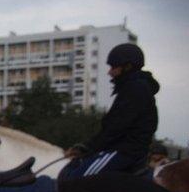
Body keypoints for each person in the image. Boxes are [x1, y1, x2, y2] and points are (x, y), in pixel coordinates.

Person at [61, 43, 160, 179]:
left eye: (113, 67)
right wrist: (86, 147)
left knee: (74, 179)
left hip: (124, 151)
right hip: (123, 149)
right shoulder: (133, 87)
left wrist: (88, 148)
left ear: (128, 67)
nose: (110, 72)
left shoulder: (135, 89)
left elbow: (115, 129)